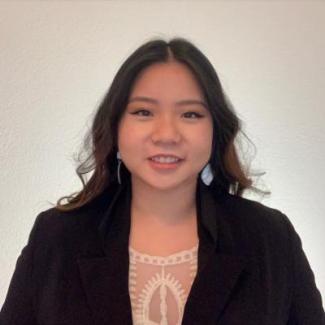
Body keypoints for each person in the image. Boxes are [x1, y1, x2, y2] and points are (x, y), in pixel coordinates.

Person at [0, 37, 324, 325]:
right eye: (143, 112)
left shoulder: (269, 238)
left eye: (191, 114)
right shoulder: (57, 239)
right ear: (115, 126)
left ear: (216, 129)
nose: (166, 134)